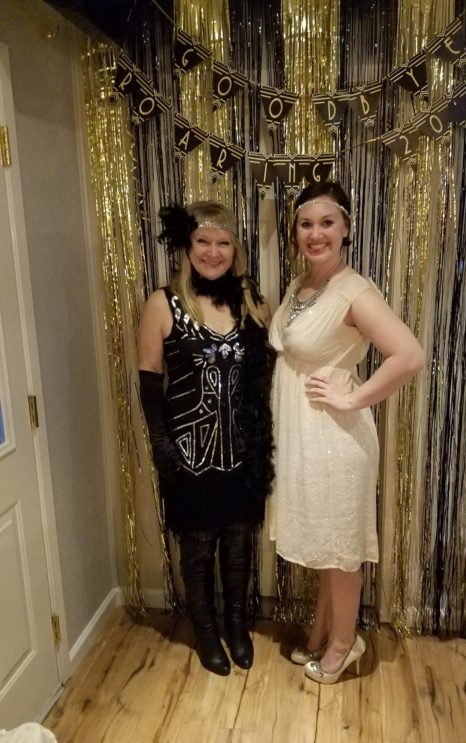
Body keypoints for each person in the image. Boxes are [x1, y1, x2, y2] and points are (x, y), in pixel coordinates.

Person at [269, 181, 425, 684]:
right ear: (295, 232)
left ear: (347, 228)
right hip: (303, 437)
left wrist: (353, 397)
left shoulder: (354, 290)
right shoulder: (301, 285)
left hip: (334, 439)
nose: (315, 234)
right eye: (305, 224)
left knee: (340, 546)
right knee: (325, 542)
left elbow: (409, 355)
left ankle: (343, 644)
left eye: (327, 223)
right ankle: (322, 630)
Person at [137, 201, 275, 676]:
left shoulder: (251, 302)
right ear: (187, 246)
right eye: (203, 241)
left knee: (239, 546)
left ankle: (238, 627)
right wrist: (161, 447)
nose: (213, 252)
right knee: (197, 551)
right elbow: (150, 383)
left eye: (222, 242)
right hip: (189, 452)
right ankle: (206, 630)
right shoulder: (164, 303)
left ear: (233, 247)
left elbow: (264, 376)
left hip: (242, 452)